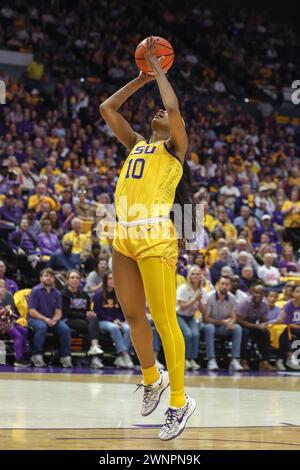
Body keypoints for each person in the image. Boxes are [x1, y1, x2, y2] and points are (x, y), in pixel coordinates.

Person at [100, 37, 196, 440]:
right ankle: (151, 377)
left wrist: (159, 69)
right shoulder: (137, 144)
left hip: (157, 235)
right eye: (153, 111)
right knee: (134, 316)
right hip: (123, 235)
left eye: (166, 115)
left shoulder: (174, 148)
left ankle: (179, 402)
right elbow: (107, 108)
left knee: (164, 319)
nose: (160, 112)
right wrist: (140, 79)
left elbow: (173, 107)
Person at [28, 268, 72, 368]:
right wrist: (46, 319)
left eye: (51, 276)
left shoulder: (57, 293)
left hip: (51, 319)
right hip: (35, 319)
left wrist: (55, 319)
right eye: (46, 276)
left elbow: (58, 311)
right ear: (41, 278)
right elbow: (32, 311)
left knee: (64, 328)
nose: (49, 278)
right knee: (42, 327)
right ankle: (36, 355)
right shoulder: (35, 291)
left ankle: (65, 356)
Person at [61, 270, 104, 369]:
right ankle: (95, 358)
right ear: (67, 280)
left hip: (83, 319)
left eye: (77, 278)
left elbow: (88, 310)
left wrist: (90, 313)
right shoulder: (63, 294)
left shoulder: (85, 295)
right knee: (95, 330)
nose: (75, 280)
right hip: (68, 320)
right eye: (72, 278)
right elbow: (67, 313)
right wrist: (85, 314)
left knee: (94, 319)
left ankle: (94, 347)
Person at [93, 272, 134, 369]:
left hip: (117, 321)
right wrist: (112, 320)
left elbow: (122, 311)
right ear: (105, 280)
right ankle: (124, 354)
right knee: (114, 328)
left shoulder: (119, 294)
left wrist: (119, 319)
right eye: (110, 278)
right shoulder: (98, 295)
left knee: (128, 329)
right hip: (103, 321)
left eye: (114, 278)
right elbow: (98, 313)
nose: (113, 281)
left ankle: (120, 357)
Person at [203, 276, 244, 371]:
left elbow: (233, 316)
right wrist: (222, 322)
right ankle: (211, 360)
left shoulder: (232, 298)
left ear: (230, 286)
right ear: (217, 285)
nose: (224, 286)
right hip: (208, 326)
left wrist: (231, 322)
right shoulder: (210, 297)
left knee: (237, 328)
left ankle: (235, 360)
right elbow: (206, 319)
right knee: (210, 327)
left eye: (227, 284)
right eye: (222, 284)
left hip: (222, 327)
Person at [237, 283, 276, 371]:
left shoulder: (264, 304)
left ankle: (264, 362)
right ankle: (243, 361)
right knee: (245, 332)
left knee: (266, 333)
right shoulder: (245, 303)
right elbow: (239, 321)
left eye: (261, 293)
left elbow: (263, 320)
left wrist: (264, 324)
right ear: (251, 293)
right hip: (241, 327)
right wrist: (257, 326)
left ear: (264, 295)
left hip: (254, 326)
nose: (258, 295)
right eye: (256, 292)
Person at [176, 265, 206, 371]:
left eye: (198, 274)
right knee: (188, 334)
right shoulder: (183, 288)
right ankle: (185, 359)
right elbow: (182, 307)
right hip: (179, 315)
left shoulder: (202, 291)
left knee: (196, 334)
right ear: (189, 276)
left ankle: (192, 359)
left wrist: (199, 300)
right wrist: (195, 299)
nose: (195, 275)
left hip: (191, 316)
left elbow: (203, 311)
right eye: (193, 273)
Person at [0, 280, 30, 367]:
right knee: (18, 335)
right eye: (1, 287)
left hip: (7, 321)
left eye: (5, 287)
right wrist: (5, 311)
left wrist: (9, 315)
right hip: (2, 323)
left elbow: (11, 314)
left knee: (24, 331)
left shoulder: (6, 299)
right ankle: (18, 359)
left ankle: (23, 354)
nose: (4, 289)